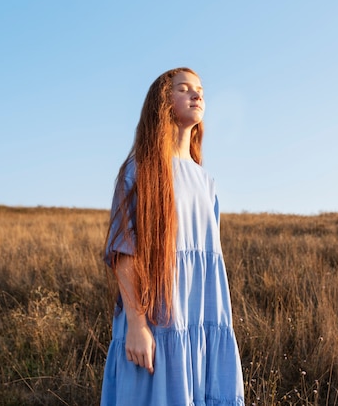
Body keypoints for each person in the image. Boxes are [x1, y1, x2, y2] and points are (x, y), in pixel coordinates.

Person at [101, 68, 244, 405]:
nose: (197, 95)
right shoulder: (140, 170)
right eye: (184, 89)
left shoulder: (206, 181)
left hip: (201, 313)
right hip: (158, 317)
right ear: (162, 103)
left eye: (200, 90)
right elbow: (124, 252)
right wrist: (137, 325)